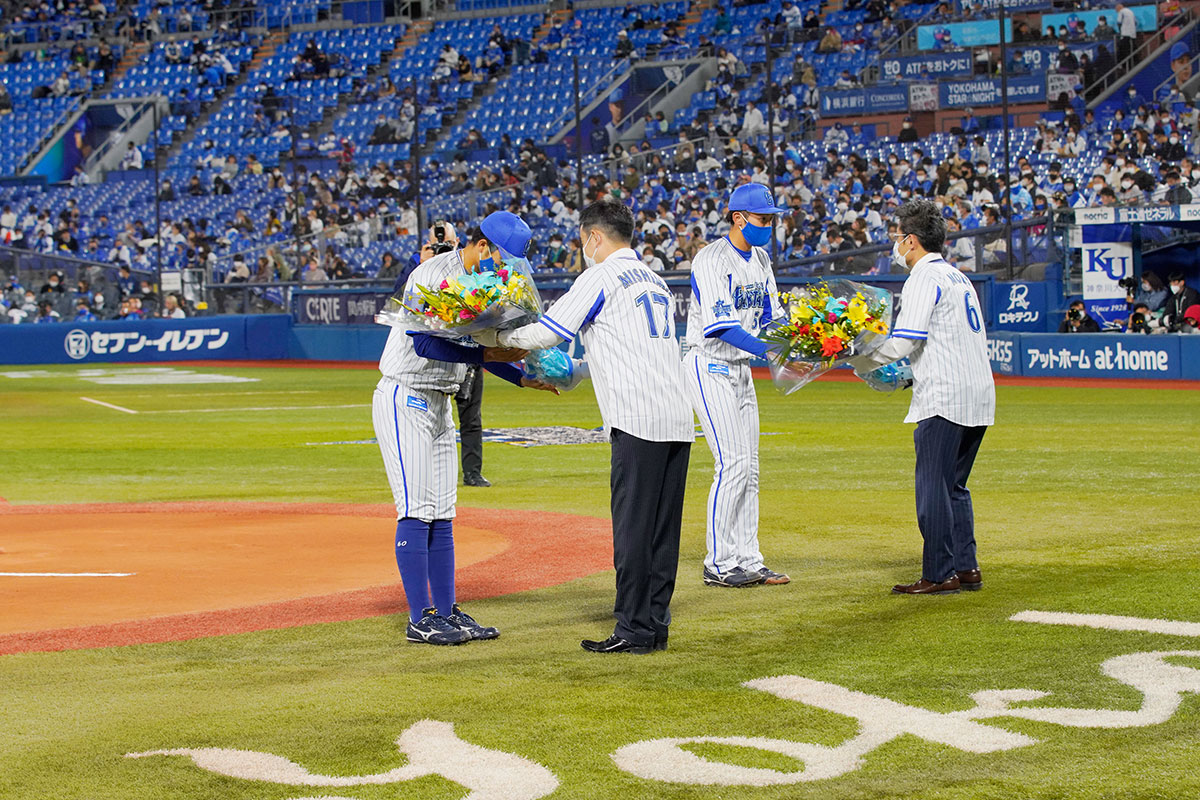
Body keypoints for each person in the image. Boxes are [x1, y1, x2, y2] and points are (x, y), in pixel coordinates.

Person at [484, 200, 694, 655]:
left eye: (583, 241)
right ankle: (655, 625)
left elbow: (547, 331)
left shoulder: (601, 276)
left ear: (595, 237)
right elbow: (624, 350)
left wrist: (495, 339)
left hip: (637, 420)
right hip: (678, 418)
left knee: (633, 530)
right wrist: (574, 372)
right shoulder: (654, 280)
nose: (583, 250)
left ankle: (633, 629)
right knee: (662, 533)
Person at [371, 210, 558, 646]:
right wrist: (490, 358)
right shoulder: (433, 275)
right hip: (406, 395)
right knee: (417, 508)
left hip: (440, 403)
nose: (507, 269)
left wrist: (522, 377)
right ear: (482, 246)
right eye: (502, 259)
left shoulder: (492, 286)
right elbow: (424, 341)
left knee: (444, 511)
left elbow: (480, 346)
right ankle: (421, 617)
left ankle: (448, 610)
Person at [849, 199, 995, 595]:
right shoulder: (958, 277)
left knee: (932, 486)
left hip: (945, 398)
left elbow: (907, 339)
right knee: (955, 487)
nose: (895, 246)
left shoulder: (923, 278)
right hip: (978, 394)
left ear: (911, 241)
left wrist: (859, 358)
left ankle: (939, 573)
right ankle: (967, 568)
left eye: (897, 238)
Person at [683, 184, 790, 588]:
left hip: (740, 368)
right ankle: (719, 562)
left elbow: (771, 316)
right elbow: (722, 326)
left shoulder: (760, 258)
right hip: (708, 364)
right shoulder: (711, 260)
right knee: (732, 464)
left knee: (751, 467)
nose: (770, 226)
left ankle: (749, 557)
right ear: (738, 218)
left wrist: (803, 339)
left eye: (772, 219)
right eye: (763, 219)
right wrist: (772, 351)